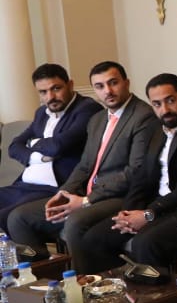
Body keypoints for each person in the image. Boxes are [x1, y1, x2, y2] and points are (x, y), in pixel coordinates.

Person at [7, 61, 158, 272]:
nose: (108, 91)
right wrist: (64, 192)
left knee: (76, 223)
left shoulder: (143, 116)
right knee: (19, 218)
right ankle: (48, 283)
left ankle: (85, 284)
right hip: (85, 194)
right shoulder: (98, 119)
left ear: (126, 83)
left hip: (120, 196)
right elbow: (85, 166)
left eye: (113, 83)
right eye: (100, 86)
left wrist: (87, 200)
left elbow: (135, 171)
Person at [76, 73, 177, 276]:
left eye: (170, 101)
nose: (165, 110)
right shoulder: (155, 128)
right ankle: (116, 292)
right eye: (157, 104)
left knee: (145, 243)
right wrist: (128, 212)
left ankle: (159, 294)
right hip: (153, 205)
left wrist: (148, 214)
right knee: (94, 238)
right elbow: (142, 176)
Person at [1, 64, 101, 228]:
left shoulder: (87, 109)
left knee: (6, 216)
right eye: (43, 92)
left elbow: (58, 146)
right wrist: (36, 158)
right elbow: (14, 146)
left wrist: (32, 143)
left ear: (70, 85)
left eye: (56, 88)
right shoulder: (41, 113)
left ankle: (21, 245)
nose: (50, 97)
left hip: (54, 187)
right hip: (24, 185)